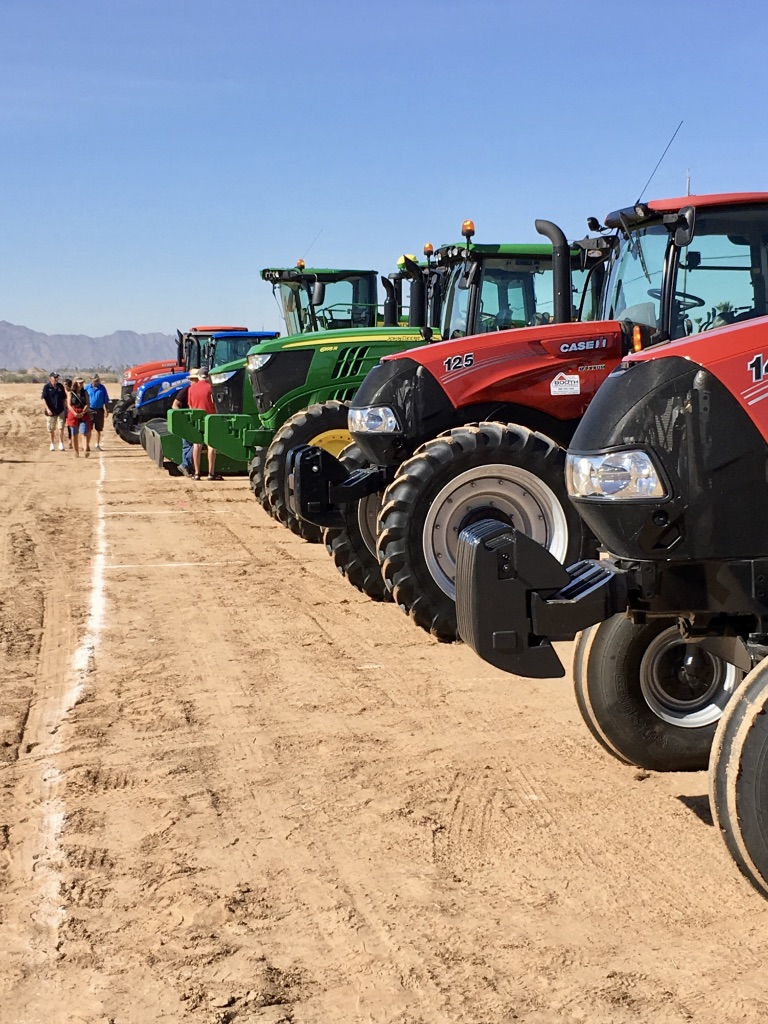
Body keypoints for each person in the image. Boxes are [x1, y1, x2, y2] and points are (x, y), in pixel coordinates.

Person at [186, 366, 221, 480]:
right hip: (211, 419)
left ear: (199, 376)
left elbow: (190, 405)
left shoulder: (191, 389)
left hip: (197, 419)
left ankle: (197, 473)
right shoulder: (212, 388)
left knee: (197, 445)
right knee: (211, 445)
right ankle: (211, 473)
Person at [170, 370, 196, 478]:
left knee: (188, 445)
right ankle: (185, 465)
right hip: (188, 420)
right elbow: (175, 405)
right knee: (193, 444)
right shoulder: (186, 390)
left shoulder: (190, 390)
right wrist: (182, 416)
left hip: (189, 420)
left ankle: (186, 466)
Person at [67, 377, 92, 458]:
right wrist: (74, 413)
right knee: (74, 434)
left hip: (83, 414)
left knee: (84, 433)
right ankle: (76, 452)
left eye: (82, 383)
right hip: (73, 414)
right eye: (79, 383)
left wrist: (83, 412)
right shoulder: (70, 393)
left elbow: (87, 404)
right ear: (75, 383)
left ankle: (85, 451)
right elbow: (69, 405)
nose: (81, 384)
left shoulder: (85, 392)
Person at [41, 371, 67, 451]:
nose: (56, 379)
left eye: (57, 377)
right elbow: (44, 399)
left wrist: (65, 408)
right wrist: (47, 409)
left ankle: (61, 443)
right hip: (51, 411)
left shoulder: (60, 386)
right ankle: (52, 443)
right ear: (50, 378)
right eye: (54, 377)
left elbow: (64, 398)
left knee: (61, 427)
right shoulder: (46, 387)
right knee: (51, 428)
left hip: (60, 410)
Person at [85, 373, 110, 450]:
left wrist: (107, 409)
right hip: (90, 410)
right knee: (89, 428)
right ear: (91, 380)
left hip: (99, 410)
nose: (96, 382)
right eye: (95, 381)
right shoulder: (87, 388)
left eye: (97, 380)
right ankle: (87, 445)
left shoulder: (102, 388)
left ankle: (97, 444)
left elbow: (106, 399)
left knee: (98, 429)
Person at [63, 378, 74, 447]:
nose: (64, 385)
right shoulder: (62, 392)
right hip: (63, 409)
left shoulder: (72, 392)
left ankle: (71, 440)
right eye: (64, 384)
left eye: (65, 384)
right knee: (62, 426)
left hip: (70, 410)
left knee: (70, 425)